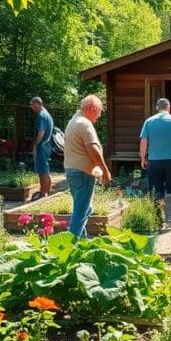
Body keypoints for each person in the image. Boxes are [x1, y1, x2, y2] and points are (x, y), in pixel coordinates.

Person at [64, 95, 111, 237]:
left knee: (85, 209)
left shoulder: (73, 121)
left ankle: (82, 244)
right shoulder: (84, 123)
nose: (100, 114)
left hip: (71, 170)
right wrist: (104, 170)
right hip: (83, 173)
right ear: (91, 108)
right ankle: (69, 247)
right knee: (81, 212)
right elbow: (93, 149)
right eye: (100, 110)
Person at [30, 96, 54, 198]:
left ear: (38, 104)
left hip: (42, 146)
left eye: (32, 105)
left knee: (42, 171)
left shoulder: (41, 115)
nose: (32, 108)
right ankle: (46, 193)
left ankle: (43, 194)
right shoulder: (46, 114)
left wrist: (35, 145)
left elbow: (41, 132)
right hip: (47, 146)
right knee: (46, 170)